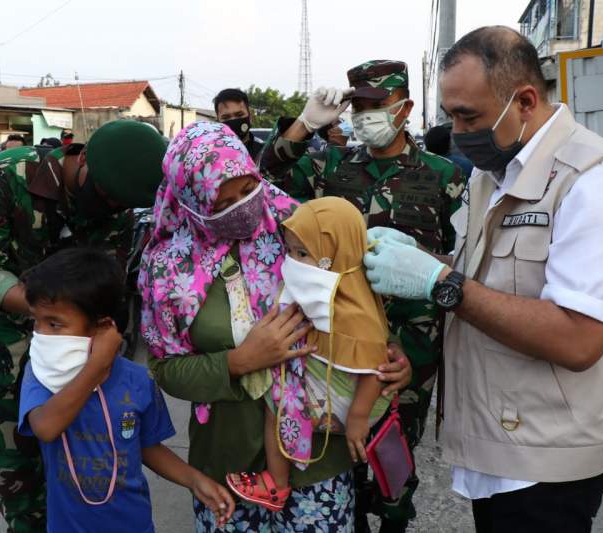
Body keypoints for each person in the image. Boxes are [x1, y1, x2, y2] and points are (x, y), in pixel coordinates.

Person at [365, 26, 603, 533]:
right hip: (501, 445)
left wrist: (440, 283)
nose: (456, 133)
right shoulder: (494, 174)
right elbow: (488, 274)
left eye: (469, 116)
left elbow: (578, 336)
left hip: (548, 461)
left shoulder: (598, 183)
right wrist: (428, 259)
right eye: (451, 114)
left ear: (523, 100)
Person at [140, 121, 412, 532]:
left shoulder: (300, 227)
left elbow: (355, 299)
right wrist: (237, 362)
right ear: (190, 200)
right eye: (220, 202)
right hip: (226, 465)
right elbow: (166, 370)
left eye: (248, 190)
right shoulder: (166, 269)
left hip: (318, 459)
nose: (242, 207)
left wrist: (390, 355)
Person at [260, 60, 464, 532]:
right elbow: (263, 176)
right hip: (337, 345)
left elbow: (458, 270)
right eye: (360, 105)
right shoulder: (327, 166)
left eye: (377, 104)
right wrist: (303, 125)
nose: (366, 114)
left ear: (405, 107)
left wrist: (412, 356)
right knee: (338, 465)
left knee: (392, 465)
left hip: (407, 353)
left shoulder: (444, 176)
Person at [0, 120, 167, 532]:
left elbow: (106, 281)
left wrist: (99, 336)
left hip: (72, 344)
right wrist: (51, 311)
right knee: (16, 474)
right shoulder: (8, 175)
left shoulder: (115, 209)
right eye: (103, 194)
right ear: (82, 159)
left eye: (120, 204)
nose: (110, 208)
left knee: (75, 467)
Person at [18, 247, 234, 532]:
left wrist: (193, 479)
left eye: (55, 324)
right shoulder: (41, 373)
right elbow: (46, 427)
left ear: (103, 327)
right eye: (37, 321)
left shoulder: (137, 381)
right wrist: (96, 367)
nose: (42, 334)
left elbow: (147, 447)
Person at [225, 197, 395, 511]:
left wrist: (358, 418)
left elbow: (376, 367)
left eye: (302, 253)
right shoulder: (320, 288)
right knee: (277, 396)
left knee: (277, 399)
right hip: (328, 396)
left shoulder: (356, 311)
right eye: (288, 251)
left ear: (336, 254)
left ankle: (277, 483)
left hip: (351, 407)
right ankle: (278, 483)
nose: (291, 261)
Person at [214, 88, 264, 160]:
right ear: (218, 121)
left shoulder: (263, 154)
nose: (233, 120)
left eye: (239, 115)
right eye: (226, 117)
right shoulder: (212, 156)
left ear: (250, 117)